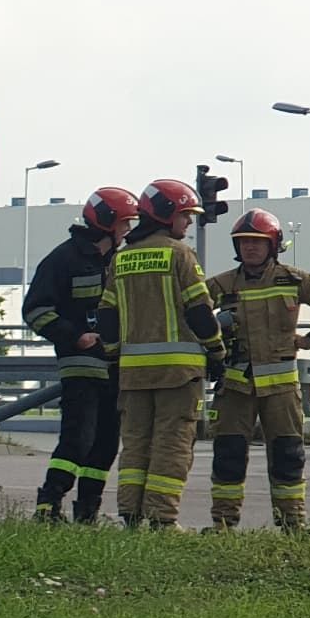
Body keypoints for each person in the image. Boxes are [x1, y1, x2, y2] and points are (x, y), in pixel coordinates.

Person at [205, 208, 310, 531]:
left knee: (288, 455)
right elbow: (191, 311)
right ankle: (223, 525)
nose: (250, 248)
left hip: (282, 392)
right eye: (243, 242)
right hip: (235, 389)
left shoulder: (294, 280)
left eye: (257, 242)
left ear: (274, 244)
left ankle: (292, 524)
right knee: (228, 455)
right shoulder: (222, 284)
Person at [97, 178, 223, 528]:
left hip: (133, 374)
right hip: (178, 374)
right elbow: (199, 310)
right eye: (185, 215)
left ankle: (131, 515)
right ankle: (163, 519)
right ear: (167, 214)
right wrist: (217, 351)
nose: (188, 223)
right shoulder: (179, 254)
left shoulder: (122, 258)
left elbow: (106, 314)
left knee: (135, 444)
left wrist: (113, 355)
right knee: (172, 444)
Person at [25, 187, 138, 523]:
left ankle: (87, 512)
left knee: (105, 445)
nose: (128, 231)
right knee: (78, 440)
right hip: (81, 366)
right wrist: (76, 337)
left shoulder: (121, 259)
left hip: (117, 367)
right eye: (124, 223)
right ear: (105, 222)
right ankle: (49, 504)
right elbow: (36, 311)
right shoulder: (64, 259)